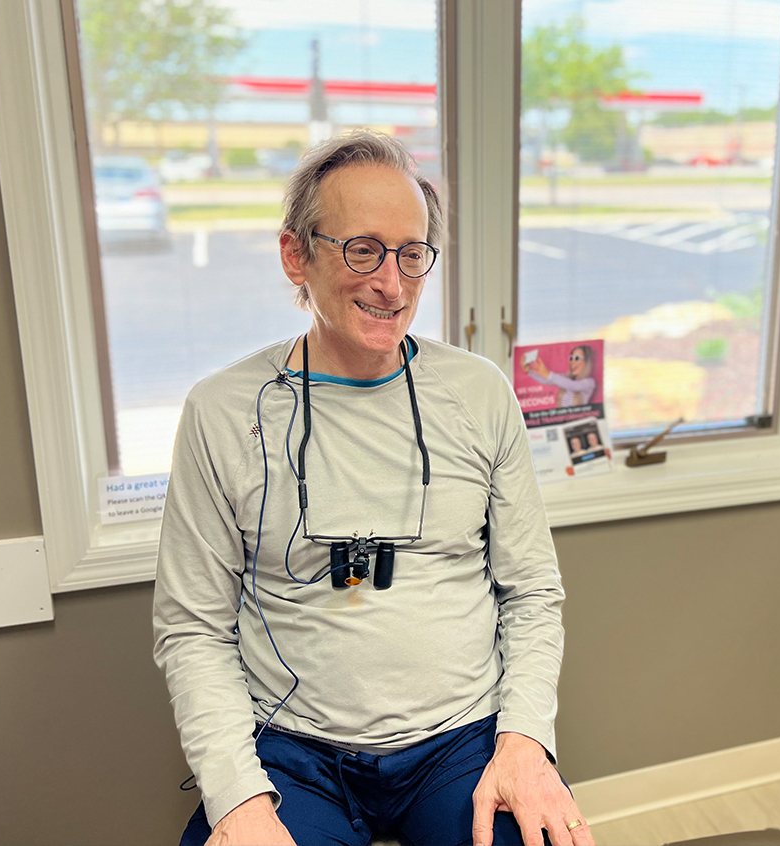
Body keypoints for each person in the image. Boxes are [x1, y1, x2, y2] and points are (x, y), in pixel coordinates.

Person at [153, 130, 592, 846]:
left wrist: (524, 740)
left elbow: (532, 592)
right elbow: (192, 627)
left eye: (411, 255)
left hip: (463, 739)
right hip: (292, 751)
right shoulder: (222, 411)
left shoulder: (477, 394)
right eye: (362, 249)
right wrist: (236, 798)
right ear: (295, 254)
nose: (391, 284)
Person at [524, 346, 596, 407]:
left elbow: (573, 386)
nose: (572, 362)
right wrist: (529, 372)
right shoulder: (566, 377)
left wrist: (547, 373)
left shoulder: (589, 382)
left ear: (586, 362)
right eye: (571, 358)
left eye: (577, 358)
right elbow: (547, 380)